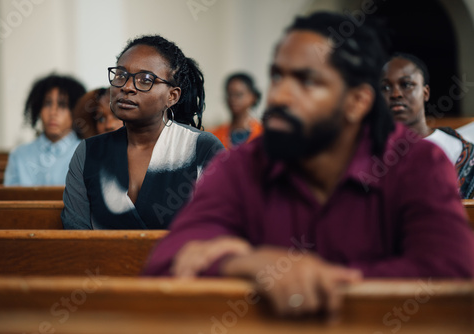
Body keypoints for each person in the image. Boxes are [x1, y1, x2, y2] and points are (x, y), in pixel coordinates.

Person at [144, 12, 474, 316]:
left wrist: (312, 278)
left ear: (357, 102)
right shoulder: (244, 165)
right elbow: (165, 262)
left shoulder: (416, 164)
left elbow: (452, 272)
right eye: (277, 76)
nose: (279, 97)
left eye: (307, 81)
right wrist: (246, 263)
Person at [61, 35, 224, 230]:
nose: (127, 87)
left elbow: (219, 229)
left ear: (172, 96)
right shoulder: (89, 151)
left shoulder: (201, 148)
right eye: (120, 75)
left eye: (145, 80)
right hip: (100, 260)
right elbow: (75, 233)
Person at [381, 53, 474, 198]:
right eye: (385, 87)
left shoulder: (460, 150)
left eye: (406, 85)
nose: (395, 94)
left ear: (425, 93)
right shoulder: (368, 151)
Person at [4, 74, 86, 186]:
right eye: (47, 104)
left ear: (76, 110)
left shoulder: (86, 154)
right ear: (38, 109)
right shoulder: (19, 156)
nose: (53, 112)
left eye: (62, 105)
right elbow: (9, 200)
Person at [211, 73, 263, 148]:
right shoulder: (216, 135)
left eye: (239, 94)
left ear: (253, 97)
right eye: (230, 94)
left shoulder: (262, 133)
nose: (233, 99)